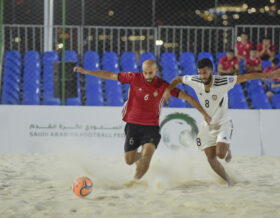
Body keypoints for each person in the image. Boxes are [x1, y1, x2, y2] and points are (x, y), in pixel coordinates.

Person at [73, 60, 211, 181]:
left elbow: (188, 98)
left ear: (156, 71)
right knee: (129, 160)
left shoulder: (163, 86)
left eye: (150, 73)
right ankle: (140, 160)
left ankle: (135, 181)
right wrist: (87, 71)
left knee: (146, 156)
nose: (148, 76)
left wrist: (204, 114)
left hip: (151, 128)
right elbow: (109, 75)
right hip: (132, 126)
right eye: (145, 73)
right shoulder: (134, 78)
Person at [163, 58, 280, 186]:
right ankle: (228, 181)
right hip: (207, 124)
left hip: (223, 122)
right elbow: (178, 79)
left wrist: (268, 75)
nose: (202, 76)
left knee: (220, 154)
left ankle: (227, 148)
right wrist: (168, 89)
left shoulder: (222, 81)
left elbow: (245, 77)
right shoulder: (195, 80)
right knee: (210, 157)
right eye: (200, 73)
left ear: (212, 71)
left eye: (205, 73)